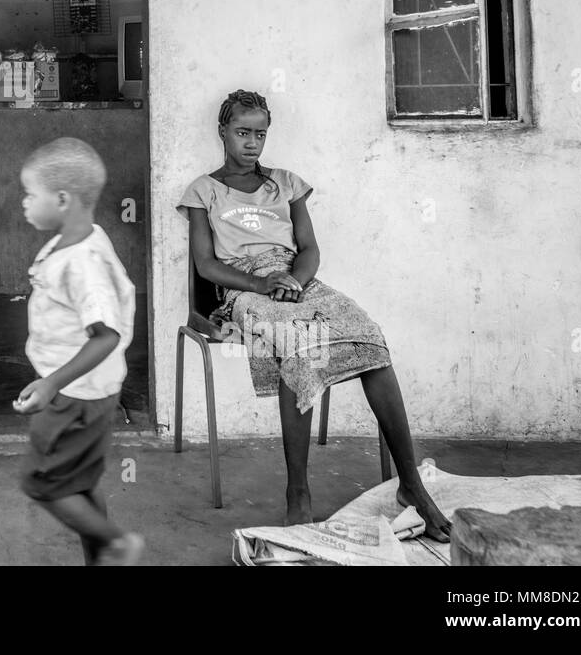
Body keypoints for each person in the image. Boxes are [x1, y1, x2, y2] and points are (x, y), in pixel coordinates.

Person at [176, 90, 452, 540]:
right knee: (298, 346)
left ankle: (412, 485)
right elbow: (207, 265)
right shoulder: (203, 191)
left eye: (259, 134)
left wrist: (295, 283)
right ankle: (297, 493)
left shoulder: (285, 182)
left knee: (370, 339)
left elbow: (309, 249)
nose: (251, 142)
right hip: (243, 289)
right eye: (242, 132)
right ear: (222, 132)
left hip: (298, 280)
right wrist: (264, 284)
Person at [14, 137, 145, 565]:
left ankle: (118, 542)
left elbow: (105, 335)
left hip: (76, 398)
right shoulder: (76, 239)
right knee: (81, 485)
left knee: (42, 481)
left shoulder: (83, 262)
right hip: (89, 391)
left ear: (63, 199)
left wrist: (52, 383)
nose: (24, 203)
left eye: (31, 195)